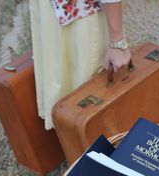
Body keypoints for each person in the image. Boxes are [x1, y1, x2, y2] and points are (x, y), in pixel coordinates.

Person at [29, 0, 131, 130]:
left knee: (93, 109)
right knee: (72, 115)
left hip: (81, 23)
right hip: (50, 18)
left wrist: (117, 43)